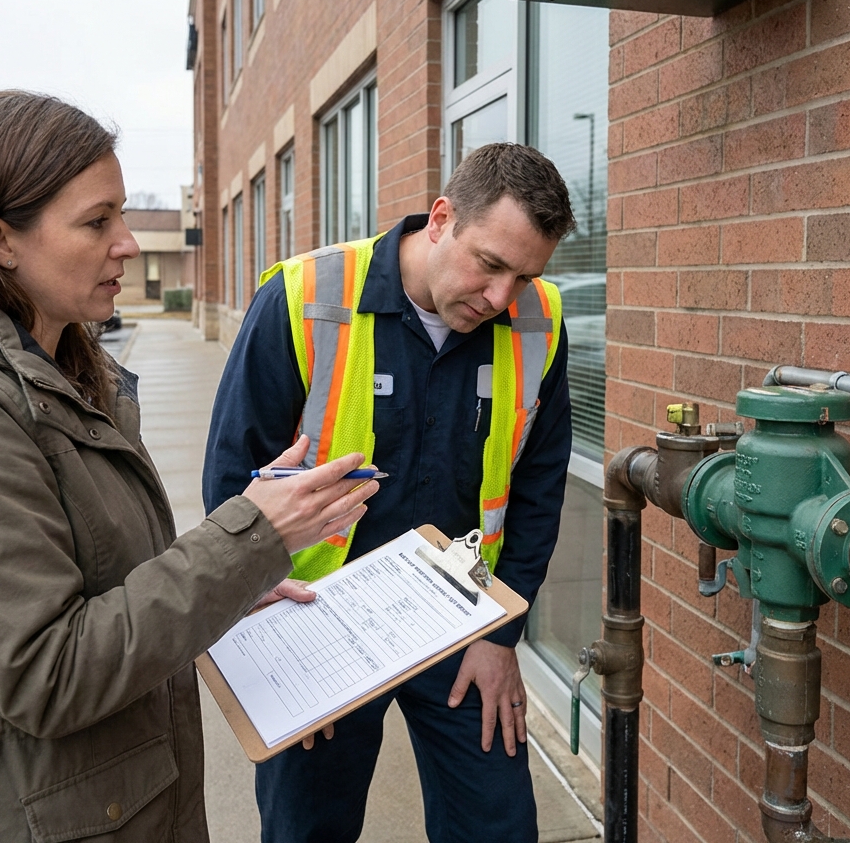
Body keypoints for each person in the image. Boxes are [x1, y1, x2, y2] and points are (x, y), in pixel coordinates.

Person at [0, 91, 378, 843]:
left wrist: (225, 593)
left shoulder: (60, 372)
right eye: (98, 222)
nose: (127, 243)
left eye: (123, 216)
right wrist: (246, 540)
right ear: (1, 239)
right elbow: (45, 673)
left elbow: (103, 584)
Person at [203, 142, 576, 843]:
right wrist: (272, 631)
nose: (501, 297)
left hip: (463, 620)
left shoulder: (538, 322)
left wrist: (502, 634)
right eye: (490, 265)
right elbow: (232, 478)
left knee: (499, 825)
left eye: (524, 275)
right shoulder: (306, 296)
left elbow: (537, 489)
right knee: (307, 827)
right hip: (318, 621)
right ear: (441, 218)